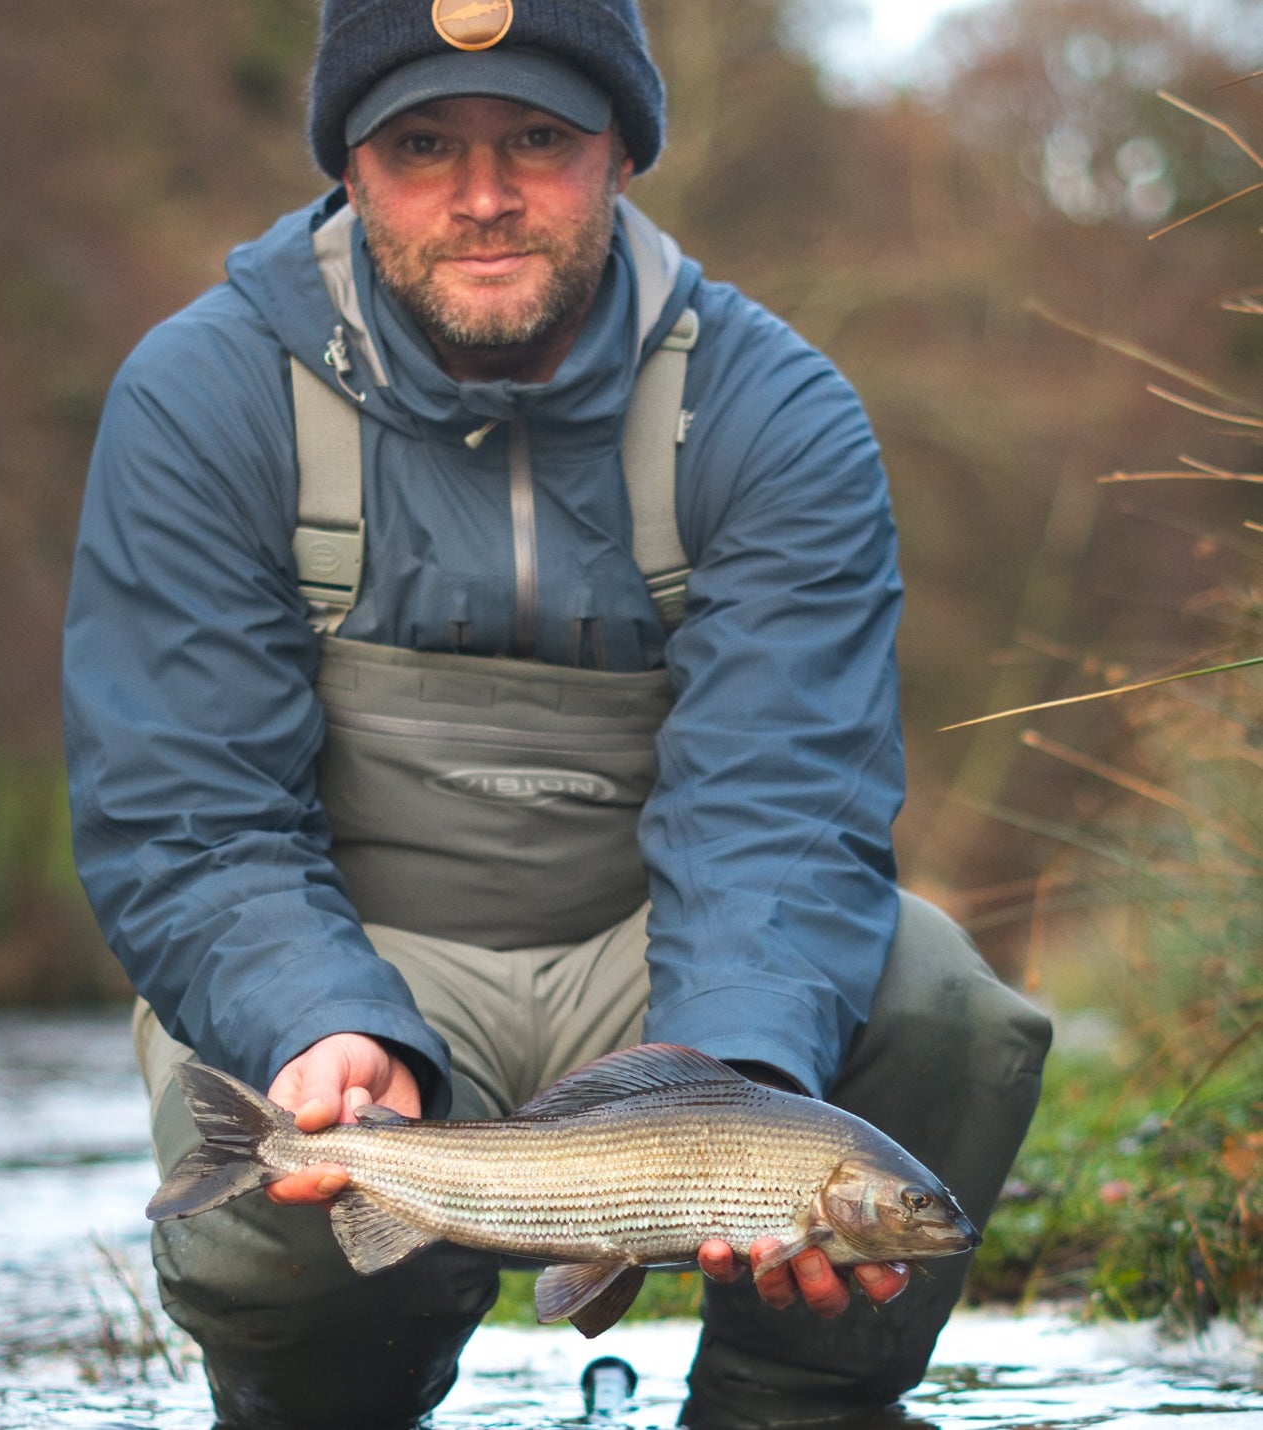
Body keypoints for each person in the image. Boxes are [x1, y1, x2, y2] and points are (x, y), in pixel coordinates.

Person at [62, 2, 1052, 1426]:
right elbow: (188, 817)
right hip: (353, 963)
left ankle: (789, 1405)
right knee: (281, 1217)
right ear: (348, 164)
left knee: (944, 1007)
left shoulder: (775, 412)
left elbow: (781, 809)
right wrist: (315, 1017)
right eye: (423, 145)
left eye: (536, 136)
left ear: (621, 152)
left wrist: (735, 1101)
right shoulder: (202, 398)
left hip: (658, 971)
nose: (483, 195)